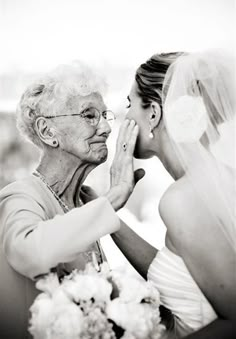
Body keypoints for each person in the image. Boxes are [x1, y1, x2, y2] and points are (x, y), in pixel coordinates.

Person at [0, 62, 141, 339]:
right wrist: (113, 198)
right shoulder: (20, 195)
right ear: (47, 131)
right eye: (89, 115)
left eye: (104, 115)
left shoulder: (82, 204)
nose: (106, 128)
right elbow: (30, 253)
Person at [111, 51, 236, 338]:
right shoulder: (216, 180)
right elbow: (188, 272)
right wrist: (104, 211)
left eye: (130, 104)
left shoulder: (181, 198)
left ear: (153, 113)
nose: (125, 116)